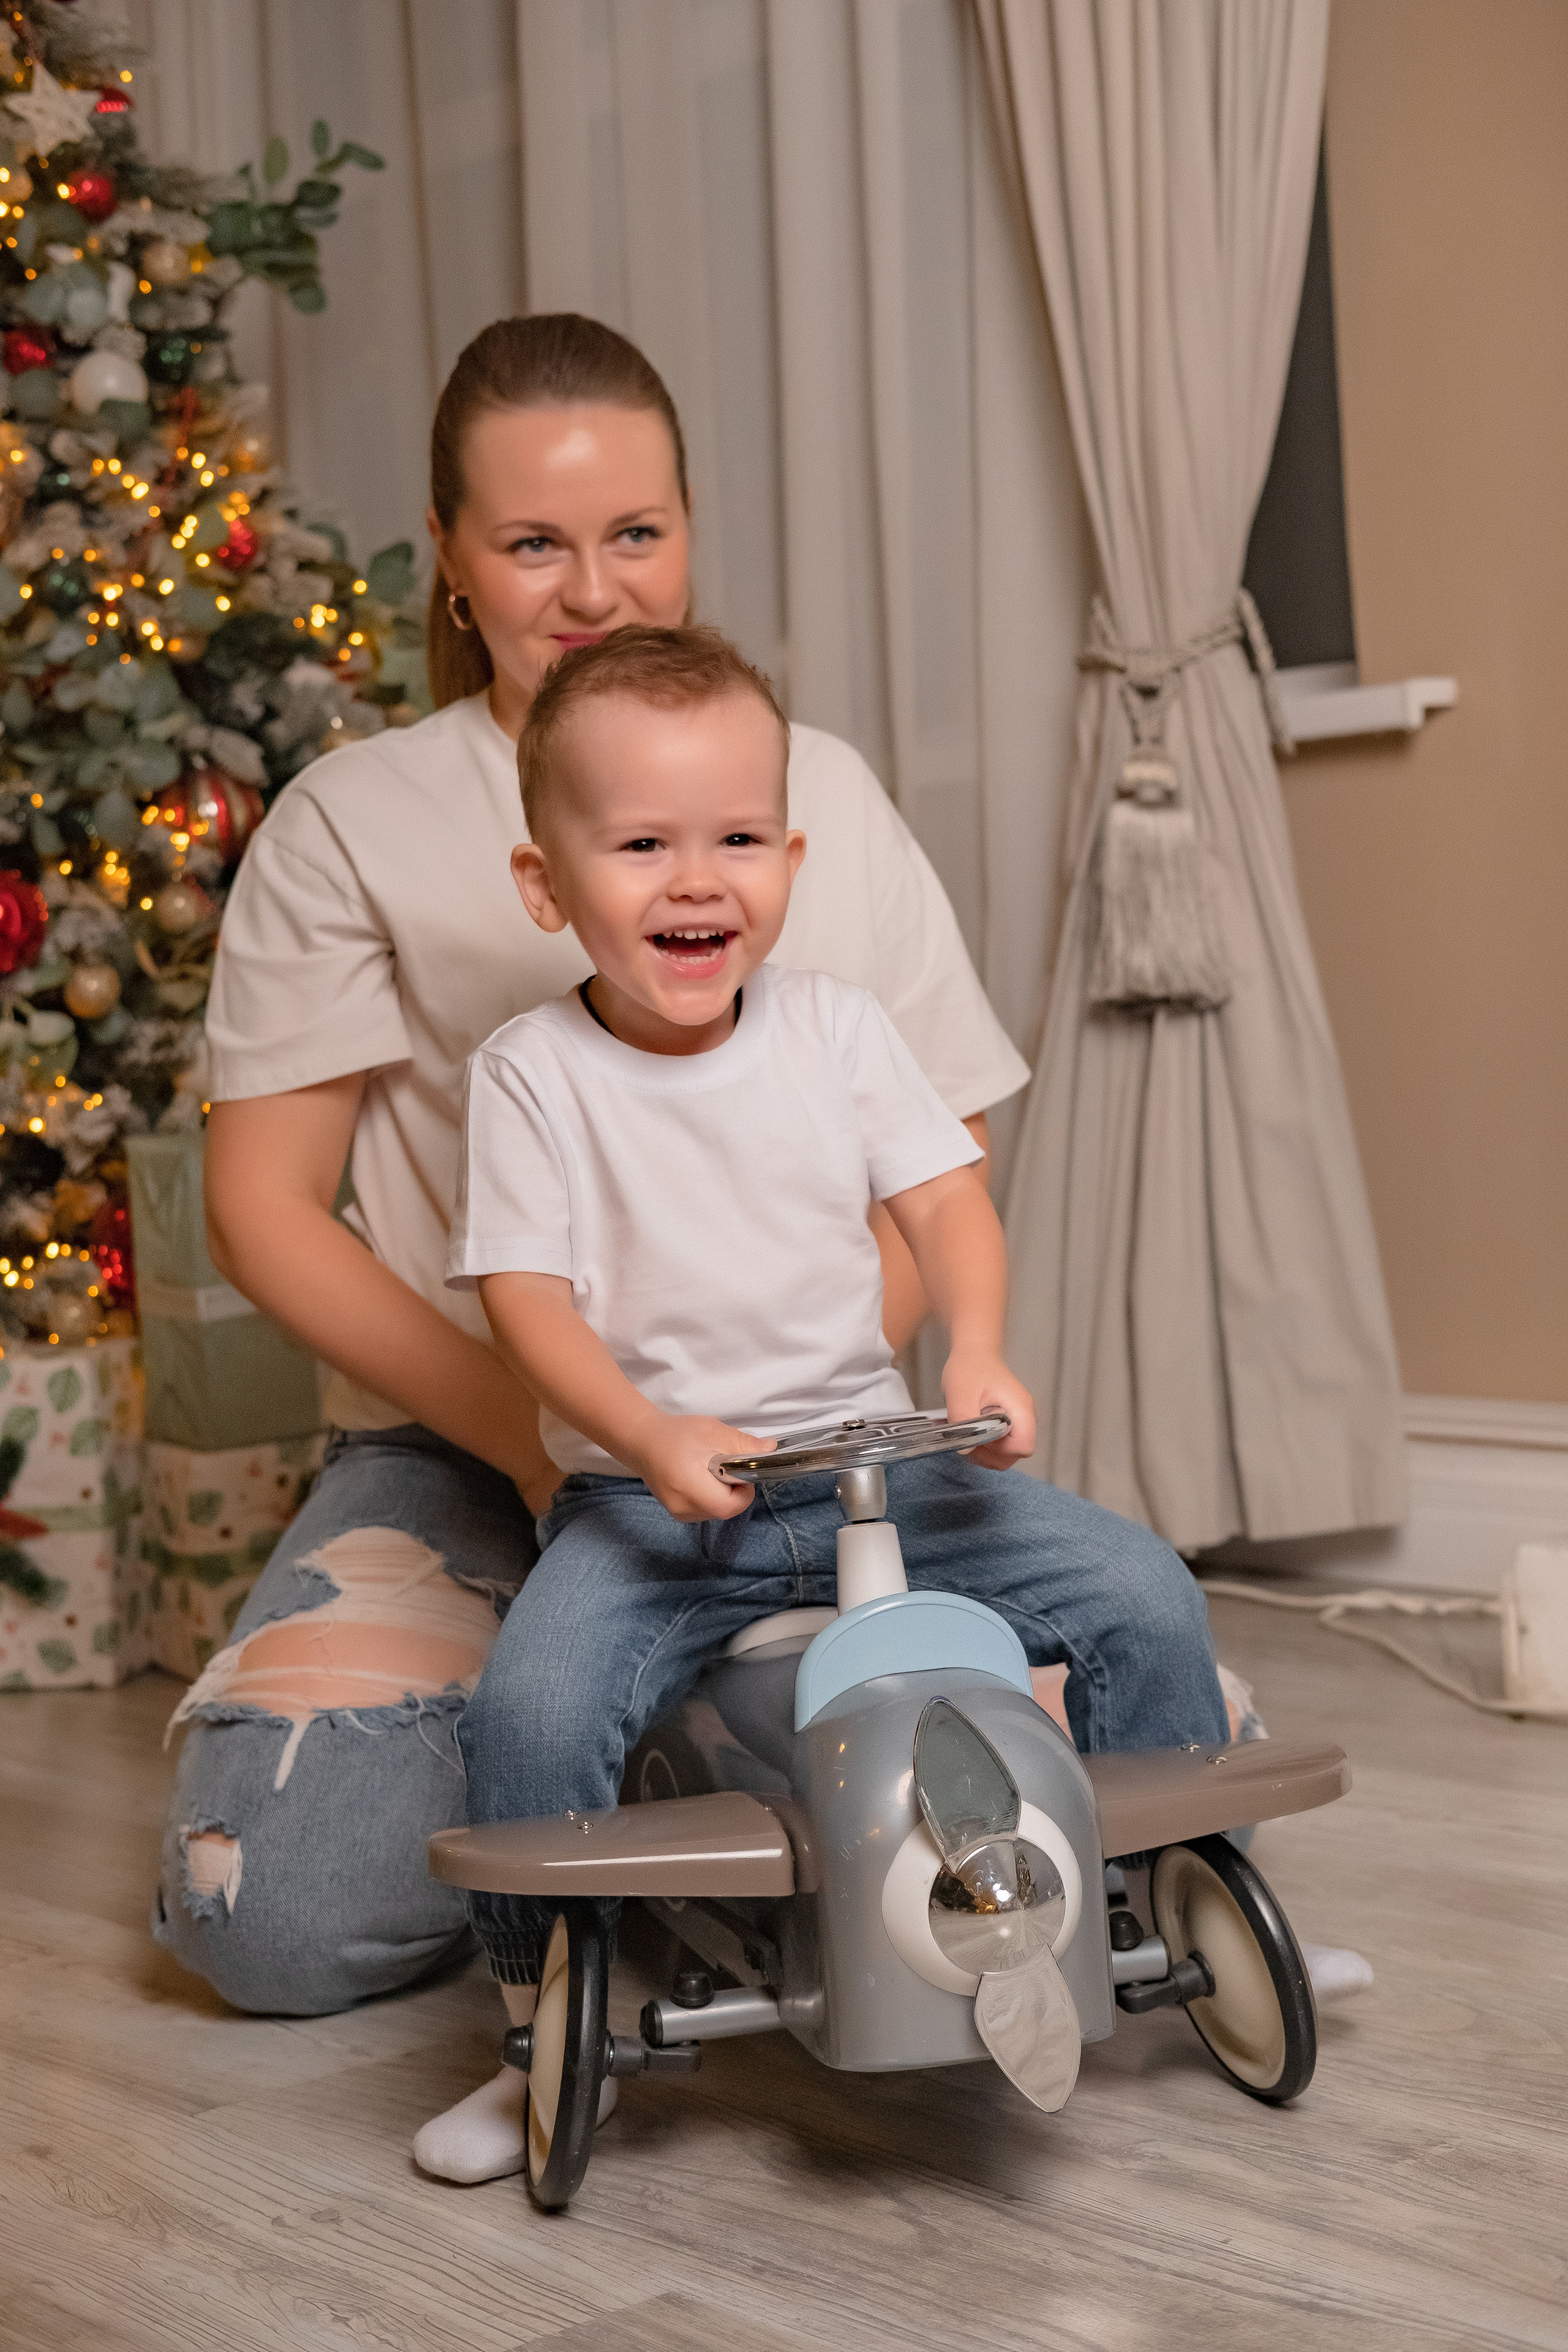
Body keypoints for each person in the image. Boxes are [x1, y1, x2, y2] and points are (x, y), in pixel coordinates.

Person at [151, 320, 1029, 2100]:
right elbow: (265, 1211)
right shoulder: (353, 820)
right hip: (467, 1440)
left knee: (1086, 1769)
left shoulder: (819, 791)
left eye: (636, 532)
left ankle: (668, 1754)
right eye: (532, 543)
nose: (591, 587)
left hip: (793, 1451)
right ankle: (608, 1777)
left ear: (690, 527)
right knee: (272, 1912)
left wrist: (785, 1428)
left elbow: (938, 1155)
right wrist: (565, 1444)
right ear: (450, 560)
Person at [441, 622, 1229, 2133]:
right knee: (531, 1709)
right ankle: (534, 2015)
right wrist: (643, 1432)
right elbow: (523, 1303)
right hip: (652, 1505)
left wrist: (976, 1345)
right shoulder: (531, 1074)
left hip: (881, 1472)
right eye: (641, 845)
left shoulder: (836, 1029)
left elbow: (945, 1204)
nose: (696, 880)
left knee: (1139, 1592)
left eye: (737, 839)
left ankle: (1164, 1905)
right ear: (545, 884)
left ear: (790, 861)